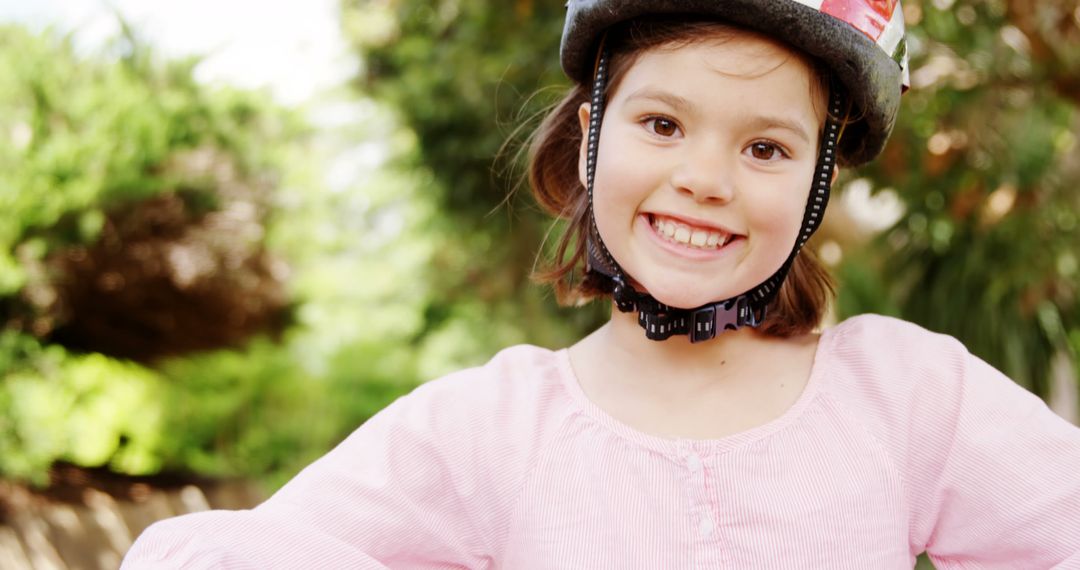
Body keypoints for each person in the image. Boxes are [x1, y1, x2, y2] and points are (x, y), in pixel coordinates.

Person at [123, 1, 1080, 568]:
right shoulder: (488, 428)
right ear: (589, 136)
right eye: (662, 124)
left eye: (765, 145)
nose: (707, 177)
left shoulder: (912, 398)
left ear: (817, 183)